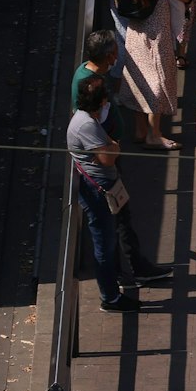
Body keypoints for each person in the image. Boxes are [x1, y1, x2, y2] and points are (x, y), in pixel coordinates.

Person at [117, 0, 193, 148]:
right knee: (159, 74)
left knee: (138, 71)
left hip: (137, 18)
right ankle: (154, 133)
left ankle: (140, 130)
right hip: (157, 17)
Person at [69, 75, 139, 313]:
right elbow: (109, 157)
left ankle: (112, 290)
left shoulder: (87, 120)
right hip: (97, 191)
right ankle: (110, 297)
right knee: (104, 244)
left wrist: (111, 145)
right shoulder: (87, 125)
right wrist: (114, 146)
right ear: (101, 102)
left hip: (99, 186)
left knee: (107, 241)